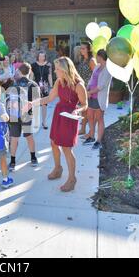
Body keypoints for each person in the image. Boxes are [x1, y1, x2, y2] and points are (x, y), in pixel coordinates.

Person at [29, 57, 88, 192]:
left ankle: (72, 179)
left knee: (67, 148)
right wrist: (32, 103)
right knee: (54, 143)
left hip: (70, 117)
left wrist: (77, 110)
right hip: (58, 114)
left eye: (57, 69)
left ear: (65, 70)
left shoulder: (79, 85)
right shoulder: (59, 82)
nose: (55, 72)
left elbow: (85, 105)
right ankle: (58, 168)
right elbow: (49, 98)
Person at [7, 62, 41, 172]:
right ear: (30, 72)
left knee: (14, 138)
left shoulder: (14, 84)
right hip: (27, 115)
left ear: (19, 72)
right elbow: (37, 102)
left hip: (14, 115)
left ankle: (12, 161)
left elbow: (8, 100)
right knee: (29, 136)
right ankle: (33, 158)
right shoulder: (33, 84)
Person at [83, 49, 112, 149]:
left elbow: (101, 86)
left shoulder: (108, 70)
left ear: (100, 57)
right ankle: (91, 136)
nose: (95, 58)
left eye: (97, 56)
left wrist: (89, 92)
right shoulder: (97, 67)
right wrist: (87, 88)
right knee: (90, 116)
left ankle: (98, 141)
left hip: (99, 98)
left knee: (99, 119)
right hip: (91, 96)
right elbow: (92, 79)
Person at [77, 42, 97, 135]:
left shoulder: (91, 60)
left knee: (89, 112)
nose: (81, 50)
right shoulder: (82, 59)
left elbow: (96, 75)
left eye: (83, 48)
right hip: (82, 87)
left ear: (88, 49)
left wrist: (91, 90)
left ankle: (90, 132)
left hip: (89, 89)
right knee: (84, 110)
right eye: (81, 48)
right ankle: (83, 129)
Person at [30, 51, 53, 129]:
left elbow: (50, 76)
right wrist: (29, 85)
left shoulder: (48, 65)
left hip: (45, 87)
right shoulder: (33, 65)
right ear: (38, 57)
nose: (41, 58)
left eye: (43, 56)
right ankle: (36, 122)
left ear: (45, 57)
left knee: (44, 105)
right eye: (40, 56)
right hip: (36, 87)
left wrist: (52, 86)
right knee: (35, 105)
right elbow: (31, 77)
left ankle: (44, 122)